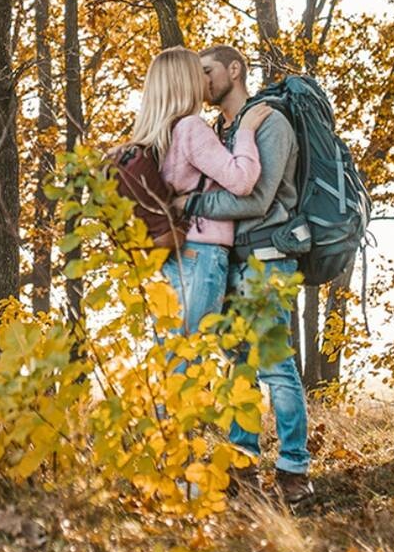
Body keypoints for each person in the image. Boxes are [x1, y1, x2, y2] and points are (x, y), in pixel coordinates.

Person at [183, 44, 314, 508]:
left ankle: (294, 471)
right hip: (232, 262)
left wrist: (191, 207)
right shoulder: (222, 131)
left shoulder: (270, 122)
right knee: (238, 367)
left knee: (276, 368)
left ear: (234, 71)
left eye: (208, 71)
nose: (202, 81)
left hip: (270, 259)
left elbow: (257, 200)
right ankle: (243, 468)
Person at [127, 47, 273, 339]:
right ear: (186, 81)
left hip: (172, 257)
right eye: (199, 74)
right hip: (201, 253)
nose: (204, 82)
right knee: (192, 360)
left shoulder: (153, 135)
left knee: (175, 361)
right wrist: (245, 130)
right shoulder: (191, 128)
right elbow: (242, 181)